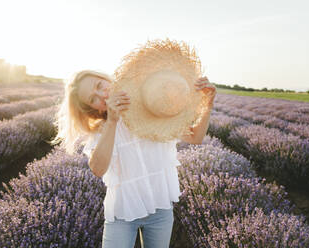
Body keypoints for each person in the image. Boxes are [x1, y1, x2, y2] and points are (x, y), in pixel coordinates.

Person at [51, 68, 216, 247]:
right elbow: (98, 169)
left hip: (160, 210)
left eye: (99, 85)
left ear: (106, 79)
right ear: (93, 108)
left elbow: (195, 137)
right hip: (123, 213)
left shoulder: (151, 107)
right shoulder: (101, 130)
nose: (102, 95)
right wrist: (112, 121)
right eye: (93, 99)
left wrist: (207, 105)